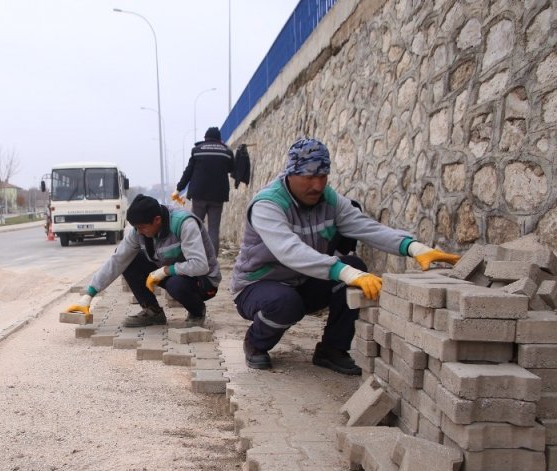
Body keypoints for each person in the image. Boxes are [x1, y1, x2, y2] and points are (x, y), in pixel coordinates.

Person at [231, 137, 460, 374]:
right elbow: (289, 250)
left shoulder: (329, 200)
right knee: (287, 302)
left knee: (354, 264)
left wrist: (414, 248)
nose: (317, 185)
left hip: (303, 279)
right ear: (291, 173)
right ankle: (256, 343)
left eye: (323, 176)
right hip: (258, 285)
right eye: (309, 177)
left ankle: (332, 349)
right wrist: (345, 272)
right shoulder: (267, 205)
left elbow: (367, 228)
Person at [66, 194, 221, 327]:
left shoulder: (184, 223)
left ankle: (197, 312)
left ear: (157, 220)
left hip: (203, 280)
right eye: (136, 228)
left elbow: (200, 265)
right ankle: (152, 312)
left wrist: (166, 270)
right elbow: (117, 260)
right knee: (129, 260)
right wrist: (89, 294)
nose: (138, 232)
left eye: (141, 227)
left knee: (176, 285)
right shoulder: (138, 232)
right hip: (173, 272)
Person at [172, 126, 235, 256]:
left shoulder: (197, 150)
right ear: (219, 139)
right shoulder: (227, 152)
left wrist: (179, 189)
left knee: (195, 227)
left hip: (199, 195)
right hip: (218, 196)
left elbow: (188, 172)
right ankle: (212, 260)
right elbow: (231, 169)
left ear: (205, 138)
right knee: (213, 230)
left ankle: (196, 256)